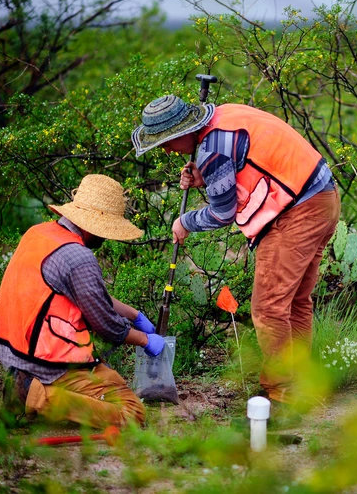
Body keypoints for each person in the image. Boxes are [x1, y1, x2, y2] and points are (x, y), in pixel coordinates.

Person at [132, 95, 341, 419]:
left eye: (166, 144)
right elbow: (243, 163)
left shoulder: (211, 150)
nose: (167, 151)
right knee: (296, 302)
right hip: (321, 198)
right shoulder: (222, 118)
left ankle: (285, 396)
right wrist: (205, 176)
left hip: (297, 212)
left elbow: (223, 213)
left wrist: (184, 222)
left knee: (269, 308)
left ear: (181, 133)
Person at [0, 174, 166, 429]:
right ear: (93, 224)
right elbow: (106, 325)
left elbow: (91, 295)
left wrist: (134, 314)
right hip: (46, 362)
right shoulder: (78, 256)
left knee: (110, 379)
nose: (106, 238)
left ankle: (26, 385)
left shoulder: (39, 234)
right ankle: (33, 394)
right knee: (133, 412)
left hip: (12, 350)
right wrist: (144, 340)